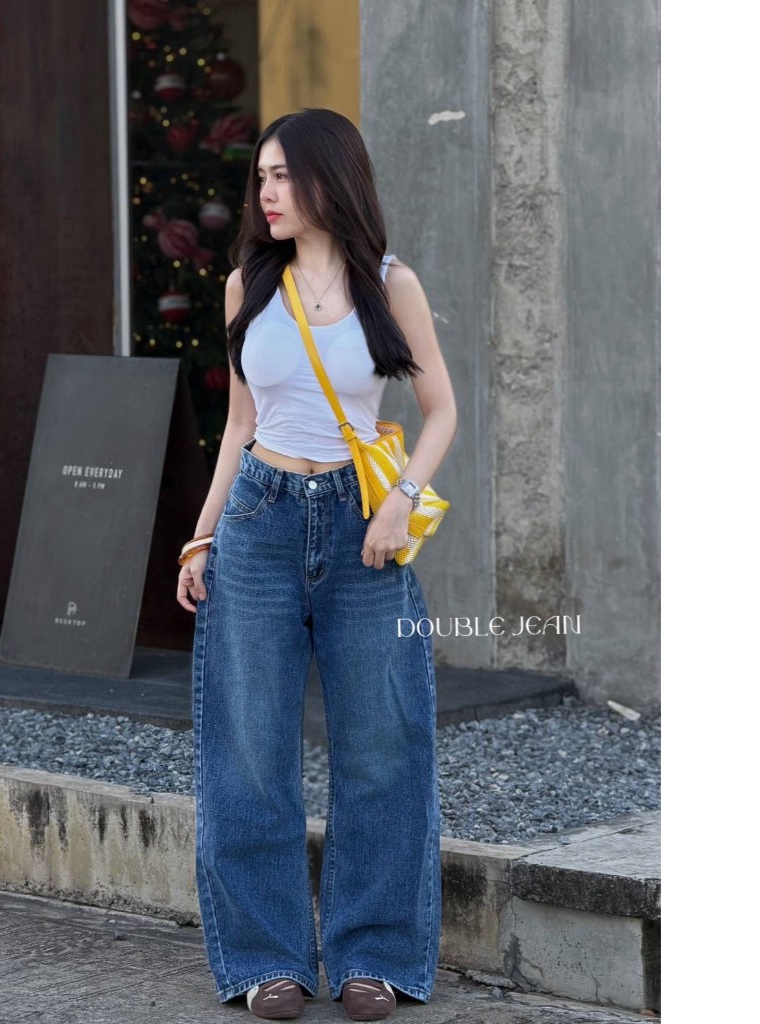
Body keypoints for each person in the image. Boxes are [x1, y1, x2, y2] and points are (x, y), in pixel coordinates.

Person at [176, 108, 457, 1021]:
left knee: (382, 745)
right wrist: (202, 536)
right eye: (261, 177)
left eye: (284, 175)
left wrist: (400, 500)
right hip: (259, 520)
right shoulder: (246, 286)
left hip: (360, 525)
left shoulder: (390, 284)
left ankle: (375, 956)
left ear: (331, 177)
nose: (267, 192)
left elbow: (442, 411)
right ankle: (268, 961)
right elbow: (240, 426)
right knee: (248, 749)